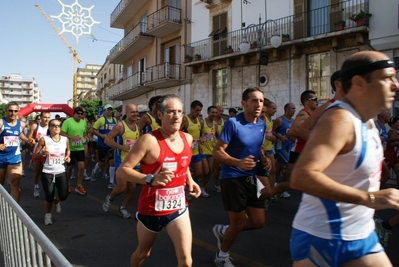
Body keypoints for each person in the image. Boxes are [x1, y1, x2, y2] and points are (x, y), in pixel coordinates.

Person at [290, 51, 399, 266]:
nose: (394, 84)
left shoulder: (368, 122)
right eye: (386, 78)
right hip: (324, 238)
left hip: (362, 235)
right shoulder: (339, 119)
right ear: (359, 83)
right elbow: (301, 177)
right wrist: (372, 199)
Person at [116, 94, 201, 267]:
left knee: (186, 261)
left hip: (178, 208)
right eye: (170, 112)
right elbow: (123, 171)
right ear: (160, 115)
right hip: (151, 208)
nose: (176, 116)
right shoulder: (149, 140)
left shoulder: (188, 138)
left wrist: (190, 181)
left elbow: (182, 165)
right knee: (143, 253)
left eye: (179, 112)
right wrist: (149, 179)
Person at [212, 87, 271, 267]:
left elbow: (256, 147)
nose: (258, 104)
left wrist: (263, 158)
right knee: (237, 223)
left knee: (258, 221)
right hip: (232, 176)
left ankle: (224, 230)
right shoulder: (233, 123)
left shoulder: (261, 124)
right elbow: (217, 152)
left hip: (251, 177)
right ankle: (221, 256)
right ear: (244, 103)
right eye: (254, 100)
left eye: (261, 101)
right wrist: (238, 163)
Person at [273, 90, 318, 199]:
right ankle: (268, 193)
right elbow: (292, 132)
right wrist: (311, 142)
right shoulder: (303, 114)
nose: (317, 102)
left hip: (305, 151)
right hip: (298, 151)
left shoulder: (311, 115)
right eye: (315, 99)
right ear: (306, 101)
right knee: (292, 181)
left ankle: (273, 192)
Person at [103, 103, 140, 219]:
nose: (135, 114)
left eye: (136, 112)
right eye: (133, 112)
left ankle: (122, 208)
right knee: (122, 187)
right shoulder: (120, 126)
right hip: (122, 161)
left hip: (134, 162)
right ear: (126, 113)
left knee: (132, 188)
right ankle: (110, 197)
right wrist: (121, 147)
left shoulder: (137, 126)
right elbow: (107, 140)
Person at [34, 119, 70, 225]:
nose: (56, 127)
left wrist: (67, 157)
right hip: (47, 172)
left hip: (61, 171)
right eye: (53, 125)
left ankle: (57, 200)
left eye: (58, 126)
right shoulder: (44, 139)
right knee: (48, 196)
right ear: (49, 128)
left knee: (64, 195)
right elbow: (35, 155)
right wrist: (42, 153)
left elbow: (68, 150)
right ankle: (48, 215)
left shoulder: (65, 139)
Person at [0, 102, 34, 202]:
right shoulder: (1, 123)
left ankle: (14, 212)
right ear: (6, 111)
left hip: (14, 156)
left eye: (15, 111)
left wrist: (28, 140)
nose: (13, 113)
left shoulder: (21, 124)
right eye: (10, 110)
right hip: (1, 156)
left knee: (15, 183)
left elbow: (19, 134)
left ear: (18, 112)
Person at [60, 107, 87, 195]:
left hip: (80, 148)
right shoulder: (68, 121)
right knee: (69, 168)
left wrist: (85, 138)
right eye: (78, 113)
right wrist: (72, 138)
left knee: (82, 167)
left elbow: (84, 133)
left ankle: (79, 185)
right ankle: (67, 184)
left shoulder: (83, 122)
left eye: (81, 114)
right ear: (74, 114)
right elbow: (62, 133)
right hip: (70, 148)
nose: (80, 115)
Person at [90, 104, 117, 186]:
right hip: (102, 144)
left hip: (111, 145)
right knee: (101, 162)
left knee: (112, 162)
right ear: (104, 111)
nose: (109, 111)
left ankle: (111, 182)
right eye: (108, 110)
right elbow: (93, 130)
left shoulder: (115, 120)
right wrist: (102, 136)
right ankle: (94, 171)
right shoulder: (101, 120)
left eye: (110, 110)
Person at [272, 103, 295, 197]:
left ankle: (274, 185)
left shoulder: (293, 121)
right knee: (289, 166)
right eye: (292, 109)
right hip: (280, 147)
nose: (294, 110)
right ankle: (281, 189)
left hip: (289, 147)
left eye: (295, 109)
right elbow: (271, 131)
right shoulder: (279, 120)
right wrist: (279, 137)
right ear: (287, 110)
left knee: (279, 167)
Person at [28, 111, 50, 198]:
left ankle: (47, 188)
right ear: (40, 117)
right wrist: (33, 140)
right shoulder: (35, 126)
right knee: (37, 172)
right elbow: (29, 137)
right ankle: (36, 187)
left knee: (47, 172)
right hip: (37, 152)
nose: (46, 119)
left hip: (48, 153)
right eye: (45, 117)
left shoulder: (51, 127)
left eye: (48, 117)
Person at [181, 100, 204, 184]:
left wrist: (200, 139)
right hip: (185, 152)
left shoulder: (199, 121)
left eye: (200, 110)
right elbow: (176, 134)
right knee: (182, 173)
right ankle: (184, 187)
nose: (198, 112)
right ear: (191, 108)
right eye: (197, 110)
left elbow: (199, 134)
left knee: (199, 173)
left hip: (195, 151)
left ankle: (186, 185)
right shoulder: (185, 120)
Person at [198, 105, 218, 197]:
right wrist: (199, 141)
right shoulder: (202, 122)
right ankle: (191, 183)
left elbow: (218, 136)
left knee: (210, 170)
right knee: (205, 171)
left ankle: (202, 188)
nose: (214, 114)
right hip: (202, 150)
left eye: (215, 112)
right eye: (212, 112)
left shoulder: (215, 124)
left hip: (211, 150)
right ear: (208, 112)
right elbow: (197, 135)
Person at [212, 105, 226, 192]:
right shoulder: (211, 121)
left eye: (222, 111)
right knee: (216, 167)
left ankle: (219, 184)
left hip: (222, 146)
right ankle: (216, 184)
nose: (221, 113)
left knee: (220, 166)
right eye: (220, 111)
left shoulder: (224, 122)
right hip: (211, 147)